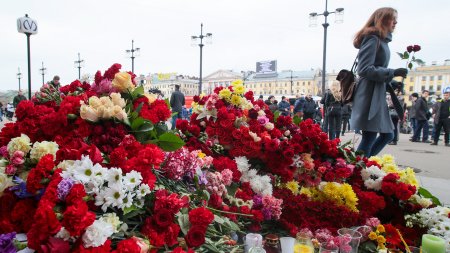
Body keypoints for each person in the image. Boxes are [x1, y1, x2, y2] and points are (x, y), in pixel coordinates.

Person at [350, 7, 408, 157]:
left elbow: (375, 69)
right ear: (383, 19)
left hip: (376, 93)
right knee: (372, 136)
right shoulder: (373, 38)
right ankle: (356, 169)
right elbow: (364, 69)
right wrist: (392, 72)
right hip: (369, 95)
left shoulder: (381, 40)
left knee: (387, 135)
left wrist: (391, 81)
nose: (395, 22)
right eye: (392, 18)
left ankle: (361, 167)